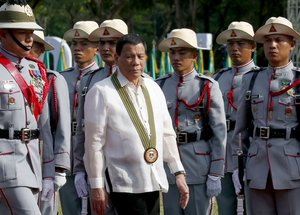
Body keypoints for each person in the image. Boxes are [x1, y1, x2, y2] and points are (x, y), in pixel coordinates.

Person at [83, 33, 189, 215]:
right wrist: (96, 184)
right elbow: (94, 144)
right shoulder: (101, 91)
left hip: (152, 177)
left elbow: (167, 133)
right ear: (117, 58)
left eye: (140, 56)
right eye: (130, 56)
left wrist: (178, 172)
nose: (136, 62)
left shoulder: (153, 88)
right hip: (123, 181)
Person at [232, 16, 300, 214]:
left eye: (279, 40)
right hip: (257, 168)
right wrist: (239, 166)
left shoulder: (298, 79)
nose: (273, 45)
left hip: (292, 169)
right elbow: (241, 129)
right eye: (268, 41)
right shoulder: (252, 79)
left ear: (292, 45)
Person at [155, 28, 227, 215]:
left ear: (194, 55)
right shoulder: (159, 85)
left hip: (198, 166)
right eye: (173, 52)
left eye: (182, 52)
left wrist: (216, 172)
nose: (176, 57)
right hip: (168, 167)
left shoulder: (207, 86)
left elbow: (219, 132)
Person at [0, 1, 53, 214]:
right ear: (3, 34)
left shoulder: (36, 69)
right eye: (22, 33)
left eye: (31, 32)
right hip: (5, 162)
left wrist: (49, 171)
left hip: (32, 161)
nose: (30, 39)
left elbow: (44, 126)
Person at [73, 19, 128, 214]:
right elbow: (82, 130)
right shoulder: (89, 80)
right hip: (97, 168)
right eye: (102, 43)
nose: (106, 48)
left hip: (128, 170)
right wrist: (79, 168)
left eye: (112, 43)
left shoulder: (141, 81)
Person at [213, 21, 256, 215]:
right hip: (223, 151)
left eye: (241, 43)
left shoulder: (259, 77)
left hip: (250, 151)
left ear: (253, 47)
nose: (235, 48)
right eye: (231, 44)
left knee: (251, 206)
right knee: (225, 205)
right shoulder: (218, 78)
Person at [60, 21, 100, 215]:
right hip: (67, 153)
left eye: (84, 43)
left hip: (94, 152)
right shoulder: (61, 78)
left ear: (97, 47)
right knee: (69, 208)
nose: (77, 48)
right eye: (74, 43)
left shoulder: (103, 79)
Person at [30, 30, 71, 215]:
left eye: (32, 45)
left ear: (40, 49)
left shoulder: (51, 79)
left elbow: (61, 126)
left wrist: (60, 168)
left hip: (44, 160)